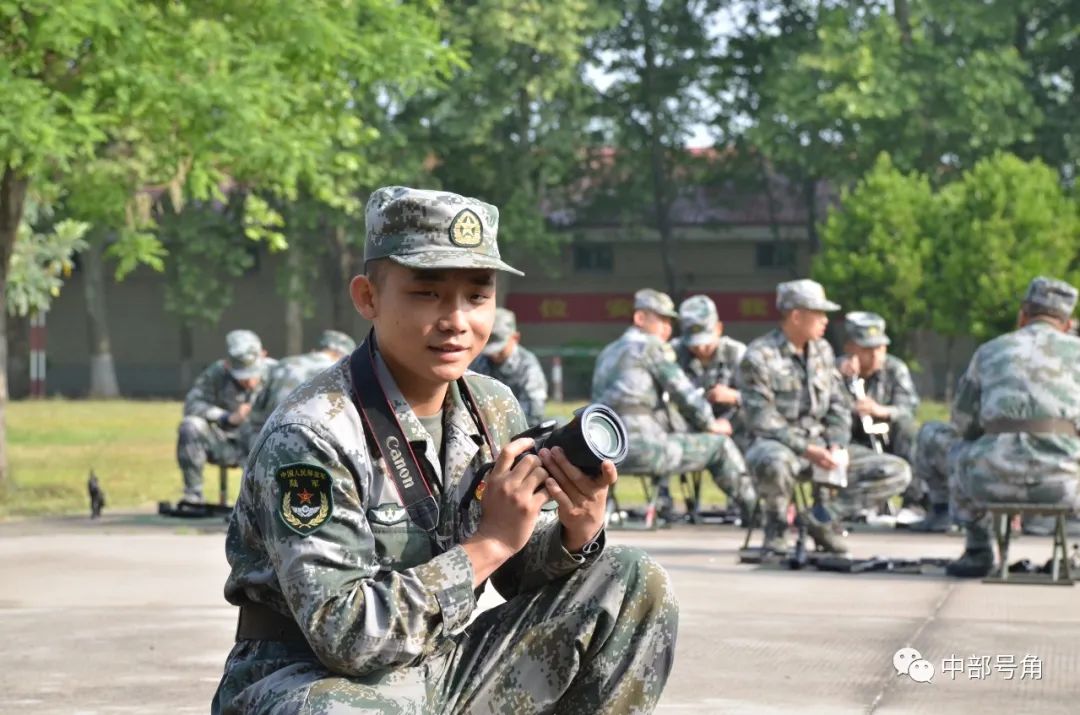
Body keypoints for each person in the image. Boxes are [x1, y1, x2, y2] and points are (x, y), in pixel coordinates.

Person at [212, 186, 677, 714]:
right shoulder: (313, 433)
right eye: (427, 294)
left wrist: (576, 527)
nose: (457, 320)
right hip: (310, 678)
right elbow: (343, 636)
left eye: (477, 296)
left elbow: (517, 570)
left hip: (442, 666)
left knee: (631, 580)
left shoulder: (491, 407)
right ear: (368, 297)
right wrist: (491, 543)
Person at [738, 280, 911, 555]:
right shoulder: (758, 357)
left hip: (820, 443)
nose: (825, 320)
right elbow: (762, 418)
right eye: (818, 313)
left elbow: (838, 404)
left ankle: (821, 518)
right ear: (796, 316)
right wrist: (808, 450)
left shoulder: (823, 351)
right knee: (775, 461)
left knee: (896, 471)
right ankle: (777, 529)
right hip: (780, 445)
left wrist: (837, 444)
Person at [940, 276, 1080, 577]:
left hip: (990, 481)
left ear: (1022, 316)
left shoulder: (990, 351)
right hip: (1064, 487)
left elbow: (962, 423)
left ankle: (978, 549)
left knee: (951, 444)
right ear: (1068, 325)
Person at [591, 288, 755, 522]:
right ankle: (760, 513)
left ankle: (663, 506)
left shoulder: (607, 352)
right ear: (640, 318)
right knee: (719, 446)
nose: (668, 328)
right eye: (662, 320)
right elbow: (684, 394)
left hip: (606, 452)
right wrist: (710, 424)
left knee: (669, 432)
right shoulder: (651, 347)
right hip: (644, 449)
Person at [836, 312, 922, 521]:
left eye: (880, 349)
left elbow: (909, 407)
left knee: (909, 429)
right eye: (867, 349)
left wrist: (881, 411)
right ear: (850, 348)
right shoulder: (833, 370)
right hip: (853, 436)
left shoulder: (894, 368)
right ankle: (853, 504)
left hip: (887, 434)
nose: (875, 356)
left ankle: (915, 503)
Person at [177, 330, 275, 504]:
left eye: (252, 373)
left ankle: (267, 501)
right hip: (228, 443)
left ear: (263, 355)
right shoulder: (217, 373)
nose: (249, 381)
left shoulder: (278, 373)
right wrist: (226, 417)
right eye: (242, 375)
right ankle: (193, 494)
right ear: (229, 364)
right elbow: (192, 404)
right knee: (190, 425)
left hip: (265, 446)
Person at [248, 329, 357, 434]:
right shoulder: (341, 374)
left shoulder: (284, 364)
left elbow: (257, 409)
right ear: (342, 355)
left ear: (314, 350)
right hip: (310, 442)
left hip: (270, 437)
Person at [671, 295, 746, 426]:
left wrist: (734, 396)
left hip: (731, 427)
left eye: (706, 343)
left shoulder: (737, 353)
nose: (700, 348)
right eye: (693, 344)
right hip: (685, 428)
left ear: (719, 329)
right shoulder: (674, 352)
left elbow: (763, 399)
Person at [469, 307, 548, 426]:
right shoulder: (480, 360)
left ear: (515, 338)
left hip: (516, 428)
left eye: (500, 348)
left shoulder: (527, 366)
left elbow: (534, 413)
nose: (494, 354)